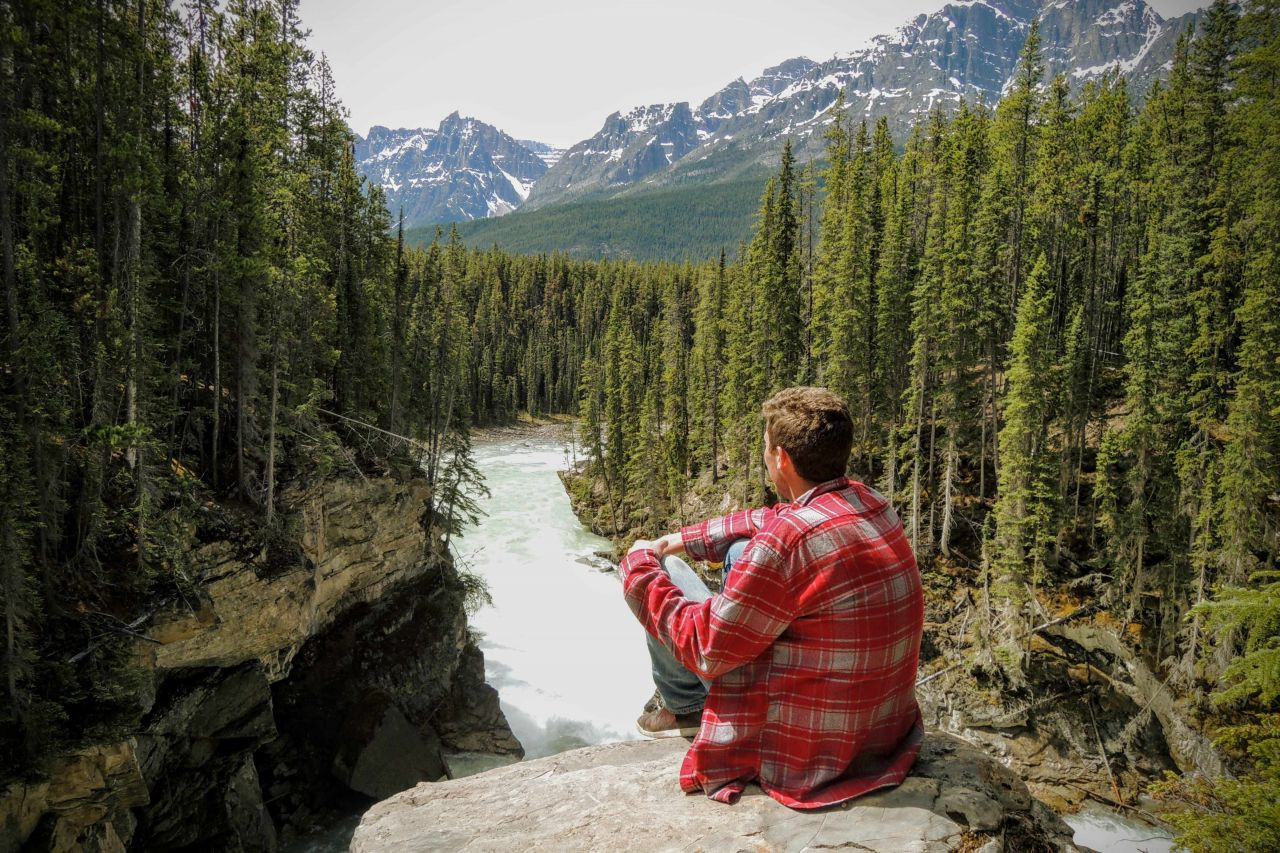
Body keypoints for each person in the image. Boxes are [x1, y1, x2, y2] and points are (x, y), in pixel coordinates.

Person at [619, 386, 924, 809]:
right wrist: (678, 539)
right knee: (740, 550)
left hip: (810, 756)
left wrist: (639, 565)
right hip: (882, 735)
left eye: (766, 446)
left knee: (665, 577)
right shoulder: (870, 502)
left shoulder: (786, 545)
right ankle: (689, 699)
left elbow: (704, 646)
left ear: (780, 457)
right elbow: (768, 517)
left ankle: (687, 705)